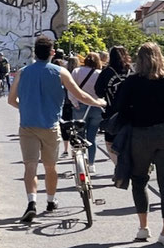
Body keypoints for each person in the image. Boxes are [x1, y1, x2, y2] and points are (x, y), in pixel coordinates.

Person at [8, 35, 106, 222]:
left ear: (35, 53)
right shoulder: (60, 72)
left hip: (27, 125)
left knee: (30, 166)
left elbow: (11, 100)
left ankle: (31, 202)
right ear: (52, 53)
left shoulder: (22, 72)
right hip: (50, 126)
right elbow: (80, 95)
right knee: (50, 166)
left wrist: (27, 107)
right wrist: (98, 102)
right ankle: (51, 201)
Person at [111, 42, 164, 244]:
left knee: (139, 180)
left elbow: (119, 108)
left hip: (140, 136)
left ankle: (143, 227)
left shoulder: (132, 81)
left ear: (139, 59)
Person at [94, 46, 131, 167]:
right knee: (130, 139)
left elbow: (98, 91)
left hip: (112, 112)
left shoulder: (106, 72)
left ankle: (118, 166)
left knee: (110, 140)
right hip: (131, 112)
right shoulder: (131, 71)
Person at [70, 51, 104, 167]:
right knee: (92, 136)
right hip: (96, 106)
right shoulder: (100, 74)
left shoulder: (77, 71)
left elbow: (71, 88)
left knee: (79, 136)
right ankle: (91, 163)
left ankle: (81, 161)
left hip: (80, 105)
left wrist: (75, 103)